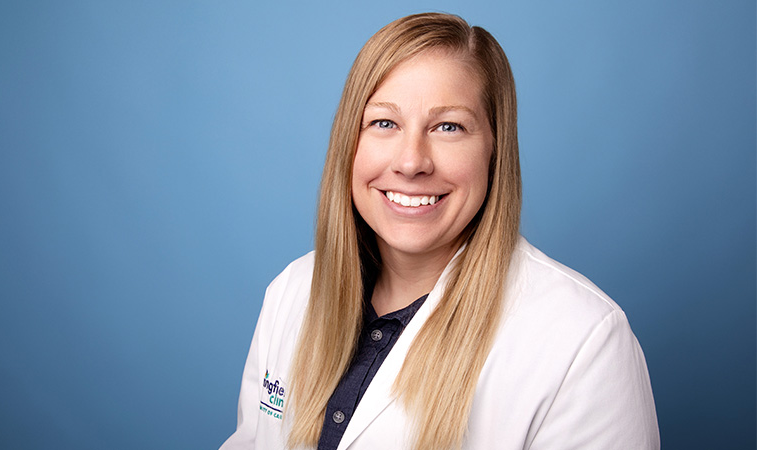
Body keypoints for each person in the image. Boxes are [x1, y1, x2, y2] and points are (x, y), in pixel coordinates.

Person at [220, 12, 659, 450]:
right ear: (348, 141)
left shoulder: (583, 342)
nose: (411, 162)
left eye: (448, 126)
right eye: (384, 123)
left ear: (494, 149)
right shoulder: (291, 292)